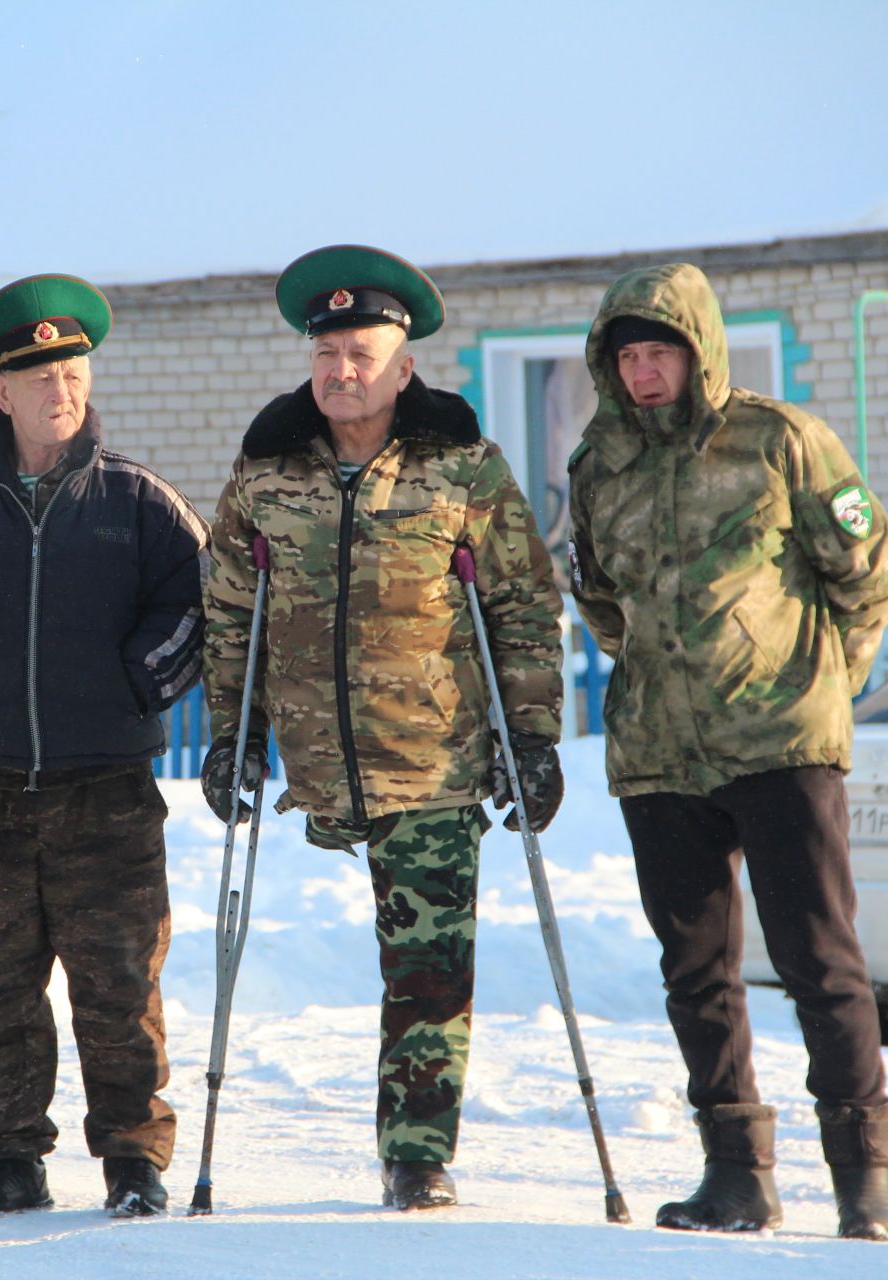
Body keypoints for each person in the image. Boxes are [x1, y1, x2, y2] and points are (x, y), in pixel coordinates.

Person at [202, 245, 565, 1212]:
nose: (341, 372)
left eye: (361, 354)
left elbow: (523, 607)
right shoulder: (267, 475)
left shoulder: (465, 471)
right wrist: (230, 734)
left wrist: (531, 740)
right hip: (319, 760)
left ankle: (416, 1154)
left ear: (404, 366)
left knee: (430, 971)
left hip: (434, 759)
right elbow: (230, 608)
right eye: (326, 354)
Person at [567, 262, 888, 1241]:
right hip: (658, 754)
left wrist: (822, 681)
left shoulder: (781, 440)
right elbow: (599, 598)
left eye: (658, 351)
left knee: (820, 958)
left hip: (780, 742)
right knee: (696, 969)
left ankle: (864, 1178)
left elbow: (872, 570)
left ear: (698, 350)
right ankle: (736, 1174)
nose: (642, 371)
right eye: (627, 355)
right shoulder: (599, 463)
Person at [0, 274, 205, 1219]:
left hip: (108, 786)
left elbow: (196, 602)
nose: (59, 390)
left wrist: (141, 681)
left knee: (118, 982)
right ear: (0, 394)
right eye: (38, 377)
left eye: (72, 372)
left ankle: (133, 1158)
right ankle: (10, 1156)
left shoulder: (140, 501)